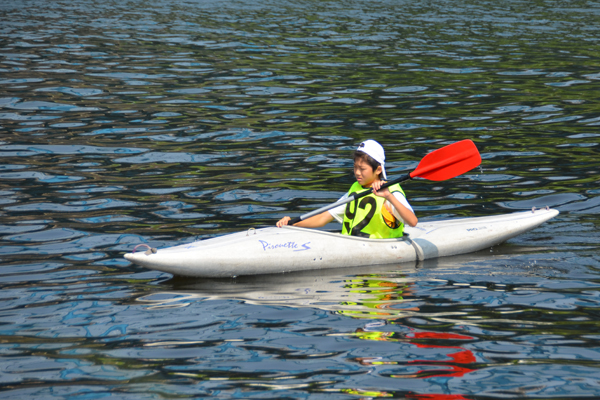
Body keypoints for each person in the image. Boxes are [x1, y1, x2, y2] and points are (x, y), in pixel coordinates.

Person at [277, 139, 417, 238]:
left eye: (362, 169)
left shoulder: (391, 191)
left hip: (382, 251)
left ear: (378, 169)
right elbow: (323, 218)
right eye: (355, 167)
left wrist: (389, 196)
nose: (357, 172)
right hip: (353, 246)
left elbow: (413, 222)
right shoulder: (355, 189)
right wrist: (292, 223)